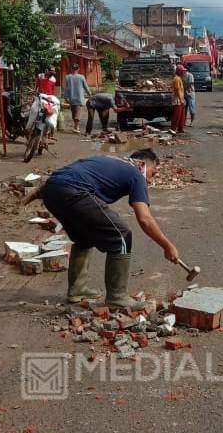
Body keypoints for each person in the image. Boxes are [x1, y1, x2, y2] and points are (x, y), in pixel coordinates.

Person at [42, 149, 179, 308]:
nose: (150, 180)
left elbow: (75, 171)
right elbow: (145, 218)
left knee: (83, 237)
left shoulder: (114, 160)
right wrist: (167, 246)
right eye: (153, 173)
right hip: (74, 190)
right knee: (122, 235)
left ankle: (77, 289)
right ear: (142, 164)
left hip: (51, 188)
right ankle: (117, 297)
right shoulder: (136, 173)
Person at [64, 63, 92, 134]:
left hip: (71, 98)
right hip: (79, 98)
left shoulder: (67, 77)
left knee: (74, 113)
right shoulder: (81, 77)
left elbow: (66, 88)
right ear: (78, 69)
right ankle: (76, 127)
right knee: (77, 113)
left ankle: (76, 126)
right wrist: (90, 94)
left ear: (71, 69)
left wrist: (66, 97)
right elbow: (86, 87)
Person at [170, 64, 187, 133]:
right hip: (177, 100)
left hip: (180, 100)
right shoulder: (177, 79)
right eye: (182, 71)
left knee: (181, 115)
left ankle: (180, 128)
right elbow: (177, 90)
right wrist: (181, 100)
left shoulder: (179, 78)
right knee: (177, 116)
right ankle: (173, 129)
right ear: (179, 71)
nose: (184, 72)